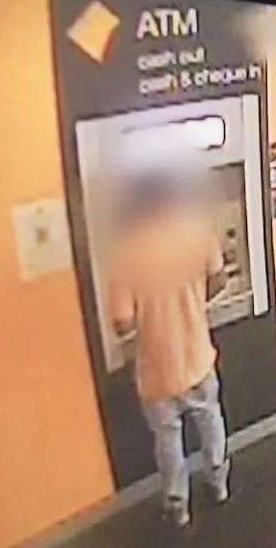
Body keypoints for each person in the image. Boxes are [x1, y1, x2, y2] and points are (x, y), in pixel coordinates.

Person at [108, 168, 230, 528]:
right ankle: (218, 483)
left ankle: (178, 506)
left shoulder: (126, 252)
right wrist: (191, 303)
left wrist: (151, 315)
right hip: (198, 356)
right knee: (210, 419)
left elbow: (122, 323)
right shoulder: (198, 229)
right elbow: (219, 279)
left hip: (156, 370)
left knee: (167, 438)